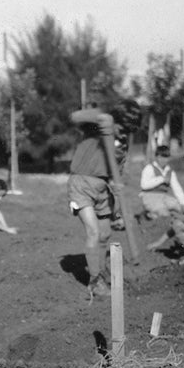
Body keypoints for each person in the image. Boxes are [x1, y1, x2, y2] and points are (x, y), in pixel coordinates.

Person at [67, 99, 141, 297]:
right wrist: (103, 115)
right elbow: (74, 117)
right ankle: (95, 281)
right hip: (81, 184)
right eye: (122, 128)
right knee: (93, 232)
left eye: (129, 131)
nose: (124, 133)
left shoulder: (122, 145)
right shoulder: (97, 127)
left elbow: (118, 171)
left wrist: (117, 186)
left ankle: (104, 270)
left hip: (103, 189)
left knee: (105, 234)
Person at [138, 145, 184, 219]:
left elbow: (177, 188)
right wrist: (161, 179)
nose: (163, 160)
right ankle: (148, 214)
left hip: (164, 196)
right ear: (156, 157)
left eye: (166, 157)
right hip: (149, 195)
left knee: (178, 208)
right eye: (161, 157)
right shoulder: (149, 168)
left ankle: (156, 214)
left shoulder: (170, 171)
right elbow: (144, 185)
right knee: (163, 213)